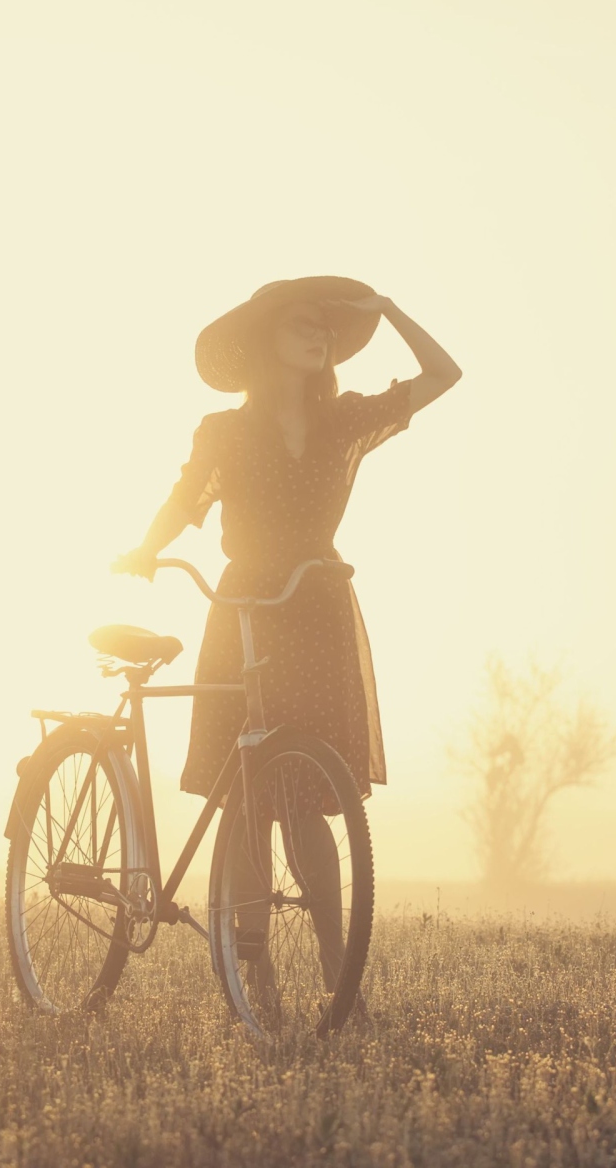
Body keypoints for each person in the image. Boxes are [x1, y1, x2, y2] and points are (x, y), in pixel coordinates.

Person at [115, 275, 461, 995]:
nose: (321, 335)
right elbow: (186, 498)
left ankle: (340, 976)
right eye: (303, 324)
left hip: (318, 603)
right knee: (248, 800)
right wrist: (147, 548)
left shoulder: (347, 422)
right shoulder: (225, 431)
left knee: (310, 797)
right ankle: (257, 973)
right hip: (246, 604)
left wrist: (391, 309)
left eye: (327, 330)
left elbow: (443, 374)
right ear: (266, 339)